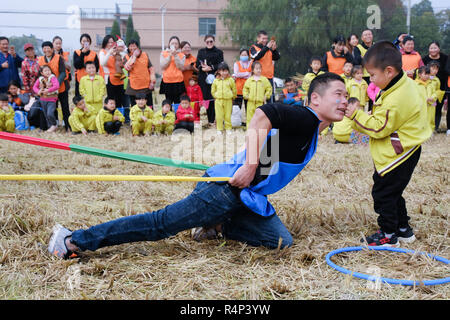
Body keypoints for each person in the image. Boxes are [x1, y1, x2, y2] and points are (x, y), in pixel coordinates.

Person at [47, 72, 349, 260]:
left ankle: (220, 224)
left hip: (247, 196)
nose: (345, 101)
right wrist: (250, 165)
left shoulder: (312, 129)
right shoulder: (305, 117)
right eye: (338, 94)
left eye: (347, 96)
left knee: (280, 241)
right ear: (315, 99)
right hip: (223, 188)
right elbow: (261, 115)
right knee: (159, 225)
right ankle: (73, 239)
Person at [345, 41, 431, 246]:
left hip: (398, 154)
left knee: (383, 193)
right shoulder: (403, 84)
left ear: (389, 71)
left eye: (373, 75)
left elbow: (378, 128)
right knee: (393, 192)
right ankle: (403, 229)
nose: (370, 79)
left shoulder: (396, 98)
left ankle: (388, 233)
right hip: (406, 149)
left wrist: (355, 116)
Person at [196, 35, 224, 126]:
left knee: (213, 98)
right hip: (203, 78)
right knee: (206, 99)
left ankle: (213, 120)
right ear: (205, 42)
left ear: (214, 41)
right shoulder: (201, 51)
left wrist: (211, 67)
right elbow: (197, 64)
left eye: (211, 41)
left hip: (215, 78)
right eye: (207, 41)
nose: (209, 43)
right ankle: (206, 120)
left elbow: (221, 64)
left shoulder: (219, 52)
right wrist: (202, 68)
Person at [422, 41, 448, 132]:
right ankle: (425, 127)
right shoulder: (424, 59)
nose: (433, 50)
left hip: (441, 86)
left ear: (439, 49)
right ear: (428, 49)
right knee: (427, 109)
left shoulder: (445, 58)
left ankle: (435, 127)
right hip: (428, 87)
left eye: (435, 48)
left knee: (438, 107)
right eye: (431, 48)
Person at [99, 35, 126, 119]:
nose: (110, 44)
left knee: (119, 100)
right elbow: (102, 63)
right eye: (109, 42)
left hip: (119, 78)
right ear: (105, 43)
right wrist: (109, 53)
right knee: (111, 100)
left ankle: (119, 117)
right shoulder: (102, 52)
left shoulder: (117, 51)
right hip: (109, 79)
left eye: (112, 42)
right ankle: (110, 117)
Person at [124, 39, 156, 108]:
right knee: (134, 106)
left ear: (138, 47)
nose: (132, 48)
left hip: (146, 85)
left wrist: (152, 81)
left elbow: (151, 68)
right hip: (133, 86)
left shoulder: (145, 54)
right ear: (128, 47)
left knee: (149, 106)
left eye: (134, 46)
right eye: (130, 46)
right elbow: (128, 68)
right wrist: (134, 57)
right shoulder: (126, 57)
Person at [250, 31, 280, 102]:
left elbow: (277, 58)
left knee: (271, 99)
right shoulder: (253, 48)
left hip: (269, 77)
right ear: (258, 38)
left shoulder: (269, 48)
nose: (265, 40)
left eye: (266, 39)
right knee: (259, 99)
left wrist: (274, 50)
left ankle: (271, 113)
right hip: (258, 77)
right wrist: (266, 48)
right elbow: (256, 56)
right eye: (263, 38)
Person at [243, 61, 272, 128]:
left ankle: (260, 131)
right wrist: (246, 96)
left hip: (260, 103)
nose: (259, 70)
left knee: (261, 118)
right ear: (253, 70)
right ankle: (250, 131)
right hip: (250, 102)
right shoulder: (249, 80)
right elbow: (245, 89)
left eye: (260, 68)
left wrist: (266, 96)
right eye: (256, 69)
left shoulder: (264, 80)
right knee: (250, 118)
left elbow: (269, 89)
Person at [32, 65, 60, 132]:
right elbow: (34, 87)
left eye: (48, 70)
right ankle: (50, 127)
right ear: (42, 73)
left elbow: (57, 86)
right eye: (45, 71)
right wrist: (38, 91)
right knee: (45, 115)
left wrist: (48, 90)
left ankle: (54, 124)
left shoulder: (52, 77)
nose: (48, 72)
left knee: (50, 113)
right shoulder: (40, 79)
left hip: (52, 99)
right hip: (42, 99)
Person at [211, 62, 236, 135]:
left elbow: (234, 89)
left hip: (228, 100)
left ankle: (228, 128)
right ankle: (219, 128)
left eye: (225, 71)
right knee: (219, 115)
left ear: (228, 71)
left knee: (228, 115)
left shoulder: (230, 80)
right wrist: (215, 95)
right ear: (219, 71)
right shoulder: (216, 80)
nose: (224, 73)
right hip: (218, 100)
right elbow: (213, 90)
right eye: (222, 71)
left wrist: (233, 96)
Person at [52, 36, 71, 131]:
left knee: (65, 105)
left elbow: (69, 67)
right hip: (52, 85)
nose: (58, 45)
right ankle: (55, 124)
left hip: (63, 83)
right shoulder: (49, 55)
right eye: (56, 43)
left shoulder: (64, 54)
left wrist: (62, 60)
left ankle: (67, 125)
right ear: (53, 44)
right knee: (53, 105)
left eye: (60, 43)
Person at [160, 36, 186, 104]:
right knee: (168, 102)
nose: (174, 45)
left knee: (178, 102)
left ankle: (177, 114)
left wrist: (175, 55)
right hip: (167, 81)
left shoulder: (182, 55)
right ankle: (169, 114)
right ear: (169, 44)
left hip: (178, 81)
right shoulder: (163, 53)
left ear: (179, 45)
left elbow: (180, 66)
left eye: (176, 43)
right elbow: (163, 66)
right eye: (172, 43)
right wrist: (170, 55)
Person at [415, 66, 436, 132]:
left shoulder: (431, 83)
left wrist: (432, 97)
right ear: (419, 74)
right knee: (420, 118)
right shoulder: (415, 84)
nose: (427, 76)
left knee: (430, 118)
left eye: (428, 74)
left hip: (430, 106)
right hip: (420, 106)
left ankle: (430, 131)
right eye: (425, 74)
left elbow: (435, 92)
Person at [233, 49, 252, 114]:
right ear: (240, 55)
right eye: (242, 55)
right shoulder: (236, 64)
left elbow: (251, 75)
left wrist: (241, 74)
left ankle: (248, 122)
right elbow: (236, 74)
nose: (244, 56)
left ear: (248, 56)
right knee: (237, 107)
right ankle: (237, 121)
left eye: (245, 55)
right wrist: (247, 73)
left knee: (249, 107)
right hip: (238, 89)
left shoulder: (251, 63)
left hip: (249, 89)